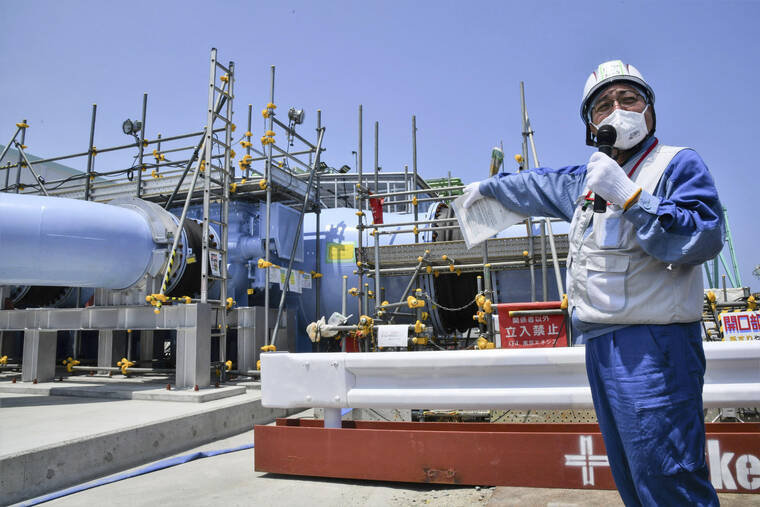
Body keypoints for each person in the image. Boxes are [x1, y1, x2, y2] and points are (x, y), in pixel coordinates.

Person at [463, 60, 723, 506]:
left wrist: (632, 197)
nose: (617, 109)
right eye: (603, 104)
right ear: (591, 124)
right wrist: (487, 189)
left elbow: (704, 234)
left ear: (649, 111)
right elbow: (537, 185)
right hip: (601, 346)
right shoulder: (586, 182)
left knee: (669, 477)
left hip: (656, 347)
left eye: (629, 98)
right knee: (632, 477)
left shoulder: (675, 164)